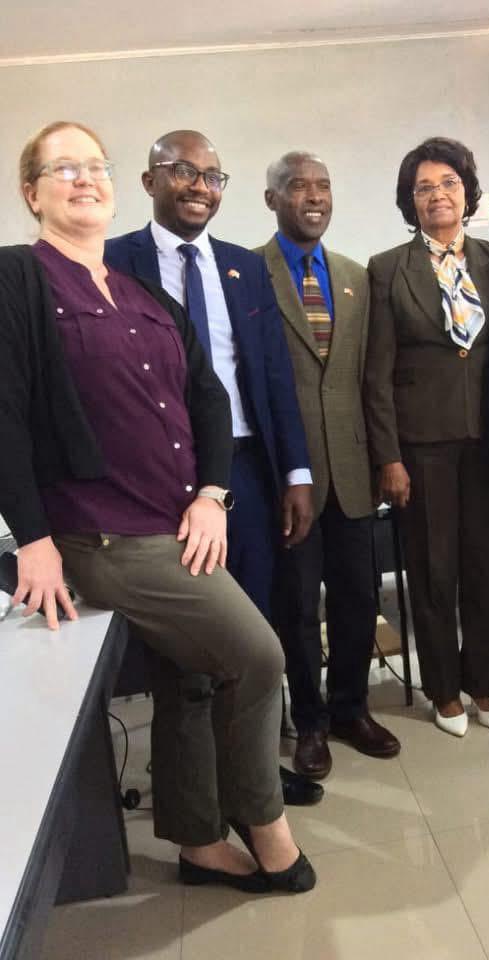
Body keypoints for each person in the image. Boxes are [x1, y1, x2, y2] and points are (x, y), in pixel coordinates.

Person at [0, 120, 315, 892]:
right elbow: (2, 414)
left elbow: (208, 398)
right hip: (104, 534)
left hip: (180, 520)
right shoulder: (17, 278)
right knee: (257, 655)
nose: (84, 178)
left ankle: (198, 841)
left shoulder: (142, 293)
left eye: (94, 165)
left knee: (191, 674)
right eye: (63, 168)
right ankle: (264, 822)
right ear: (31, 193)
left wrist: (211, 494)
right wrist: (32, 539)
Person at [105, 130, 323, 808]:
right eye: (183, 171)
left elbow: (273, 374)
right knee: (185, 647)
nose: (200, 186)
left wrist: (295, 473)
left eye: (212, 176)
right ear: (149, 182)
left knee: (253, 629)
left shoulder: (243, 268)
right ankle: (196, 793)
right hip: (163, 480)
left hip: (247, 470)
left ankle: (253, 779)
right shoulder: (112, 262)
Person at [256, 151, 400, 778]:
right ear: (272, 199)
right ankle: (309, 721)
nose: (313, 197)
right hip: (289, 478)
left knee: (357, 598)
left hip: (354, 471)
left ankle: (350, 708)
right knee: (295, 605)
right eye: (298, 187)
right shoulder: (248, 273)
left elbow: (371, 379)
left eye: (323, 186)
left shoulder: (354, 277)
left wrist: (387, 458)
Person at [364, 137, 489, 738]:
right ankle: (444, 690)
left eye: (448, 183)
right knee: (431, 571)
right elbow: (376, 374)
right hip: (421, 448)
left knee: (486, 568)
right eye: (424, 188)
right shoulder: (387, 269)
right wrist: (389, 458)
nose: (438, 195)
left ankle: (484, 684)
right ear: (411, 201)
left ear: (467, 192)